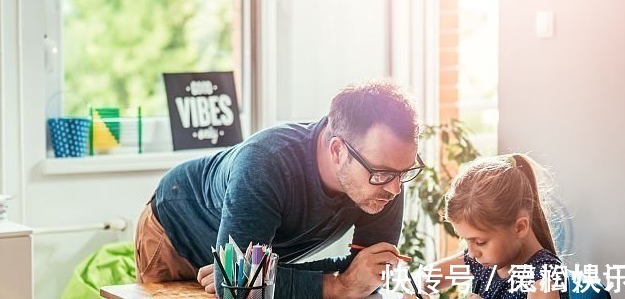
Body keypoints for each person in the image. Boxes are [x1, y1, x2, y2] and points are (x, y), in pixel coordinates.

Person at [134, 79, 425, 298]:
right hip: (177, 231)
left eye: (404, 172)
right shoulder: (266, 163)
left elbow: (366, 273)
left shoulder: (384, 176)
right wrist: (338, 285)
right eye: (383, 174)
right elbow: (239, 286)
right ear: (338, 150)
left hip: (256, 255)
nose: (395, 189)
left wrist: (247, 277)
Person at [421, 154, 569, 299]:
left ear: (520, 227)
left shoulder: (543, 277)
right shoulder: (484, 262)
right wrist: (416, 291)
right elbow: (425, 277)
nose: (471, 253)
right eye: (466, 241)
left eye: (479, 242)